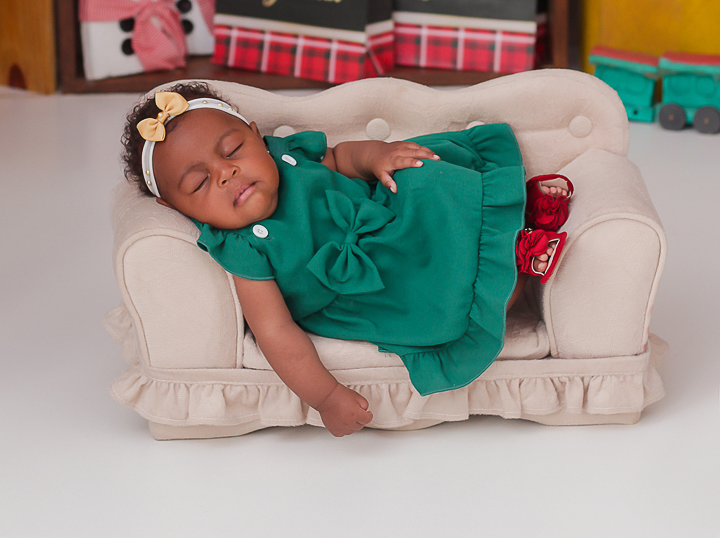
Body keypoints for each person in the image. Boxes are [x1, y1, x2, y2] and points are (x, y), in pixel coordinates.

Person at [121, 82, 572, 437]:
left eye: (233, 150)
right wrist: (325, 397)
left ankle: (519, 212)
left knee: (425, 177)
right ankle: (520, 260)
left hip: (385, 213)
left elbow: (340, 157)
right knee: (440, 307)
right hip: (368, 288)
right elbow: (276, 333)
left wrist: (377, 156)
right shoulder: (241, 248)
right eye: (199, 184)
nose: (226, 174)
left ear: (256, 136)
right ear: (175, 208)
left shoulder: (286, 155)